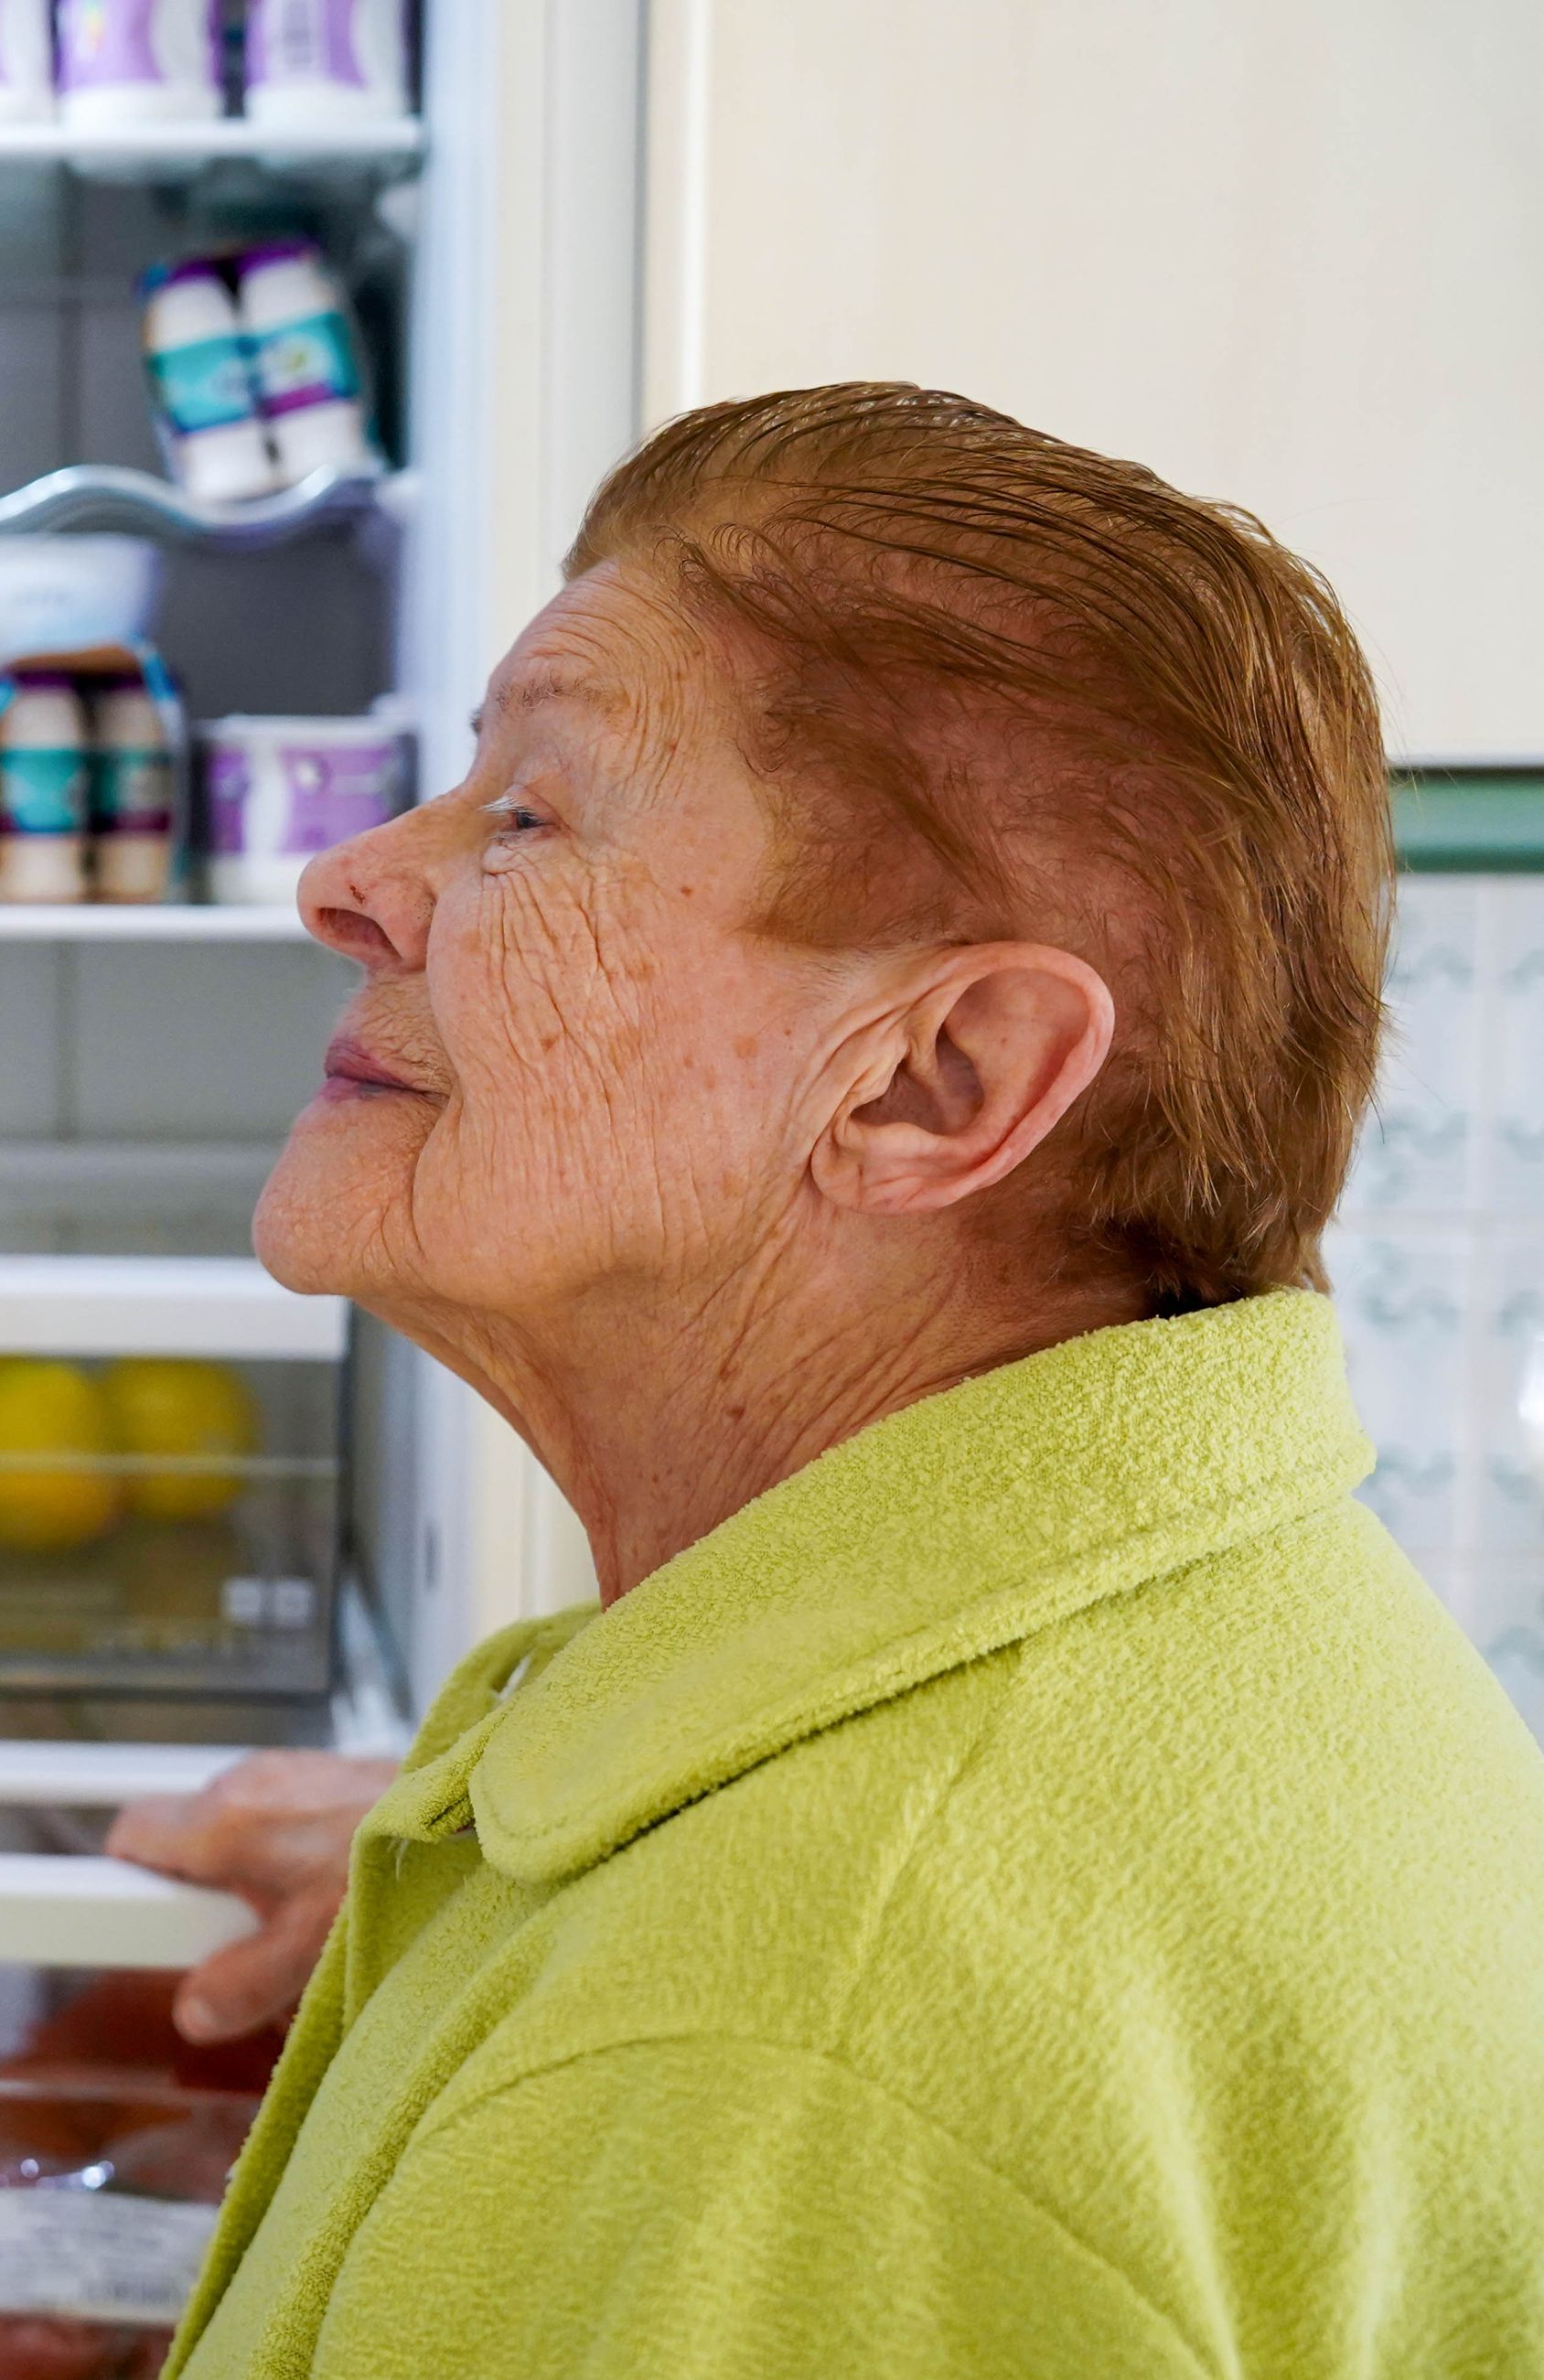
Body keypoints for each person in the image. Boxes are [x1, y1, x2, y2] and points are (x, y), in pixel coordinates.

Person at [105, 384, 1544, 2375]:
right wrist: (533, 1894)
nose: (346, 879)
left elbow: (845, 2027)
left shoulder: (799, 2045)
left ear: (933, 1082)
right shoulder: (1177, 1667)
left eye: (528, 816)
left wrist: (667, 1989)